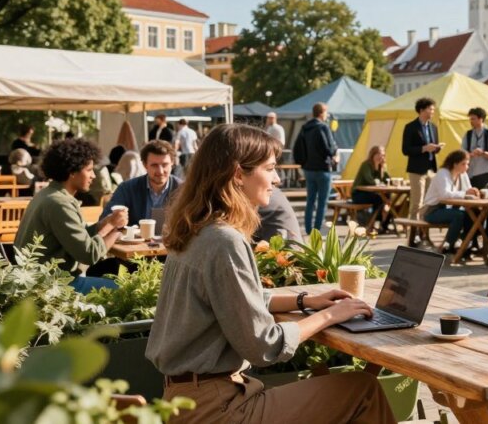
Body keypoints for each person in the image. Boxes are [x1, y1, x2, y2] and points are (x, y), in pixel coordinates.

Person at [145, 123, 395, 423]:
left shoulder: (196, 230)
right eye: (270, 168)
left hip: (185, 401)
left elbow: (236, 299)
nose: (277, 179)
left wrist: (304, 301)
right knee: (363, 389)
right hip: (218, 410)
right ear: (238, 174)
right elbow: (264, 345)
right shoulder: (224, 241)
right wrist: (331, 315)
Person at [14, 138, 128, 293]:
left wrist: (102, 224)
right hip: (49, 287)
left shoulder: (49, 194)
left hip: (36, 280)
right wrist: (115, 228)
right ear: (72, 171)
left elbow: (76, 239)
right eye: (89, 170)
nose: (93, 176)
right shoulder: (60, 203)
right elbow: (89, 255)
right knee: (125, 290)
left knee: (110, 273)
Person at [101, 141, 182, 225]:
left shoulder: (183, 190)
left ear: (172, 163)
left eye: (165, 165)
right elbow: (104, 220)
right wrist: (116, 219)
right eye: (154, 165)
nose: (160, 171)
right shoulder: (127, 189)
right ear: (145, 165)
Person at [293, 102, 338, 234]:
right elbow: (329, 148)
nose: (327, 115)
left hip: (308, 169)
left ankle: (308, 229)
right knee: (322, 202)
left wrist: (303, 162)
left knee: (310, 201)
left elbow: (297, 147)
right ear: (322, 113)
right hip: (323, 169)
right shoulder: (323, 127)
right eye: (326, 112)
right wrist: (335, 152)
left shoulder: (305, 127)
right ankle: (316, 231)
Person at [423, 150, 479, 254]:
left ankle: (466, 244)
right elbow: (444, 195)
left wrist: (474, 193)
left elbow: (468, 191)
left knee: (474, 215)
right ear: (455, 164)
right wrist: (465, 194)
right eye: (463, 164)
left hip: (450, 209)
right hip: (432, 211)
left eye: (467, 164)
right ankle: (448, 245)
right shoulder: (443, 173)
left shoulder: (462, 175)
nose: (467, 167)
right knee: (459, 216)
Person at [402, 97, 443, 220]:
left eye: (433, 109)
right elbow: (406, 150)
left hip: (431, 170)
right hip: (417, 170)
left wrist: (437, 148)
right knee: (417, 203)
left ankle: (424, 229)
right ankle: (413, 230)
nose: (432, 112)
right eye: (430, 109)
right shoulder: (410, 127)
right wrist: (424, 148)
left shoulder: (433, 127)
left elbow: (434, 148)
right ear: (421, 110)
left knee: (429, 202)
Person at [351, 145, 392, 232]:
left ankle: (384, 225)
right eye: (378, 154)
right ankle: (372, 223)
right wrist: (376, 166)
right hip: (358, 194)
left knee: (388, 196)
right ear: (372, 155)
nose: (380, 157)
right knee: (379, 199)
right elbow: (369, 180)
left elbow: (388, 181)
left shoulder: (382, 167)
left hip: (372, 193)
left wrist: (384, 168)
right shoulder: (366, 165)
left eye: (382, 155)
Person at [460, 107, 488, 190]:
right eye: (470, 119)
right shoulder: (468, 134)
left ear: (481, 119)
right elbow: (462, 153)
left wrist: (483, 153)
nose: (471, 121)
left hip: (485, 173)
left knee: (486, 196)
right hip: (470, 173)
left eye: (473, 119)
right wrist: (471, 154)